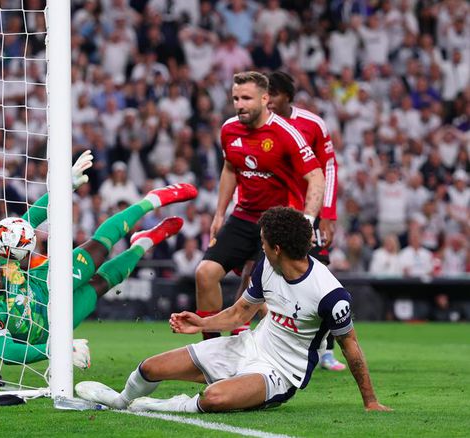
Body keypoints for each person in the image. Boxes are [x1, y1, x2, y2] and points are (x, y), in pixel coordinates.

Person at [77, 207, 391, 413]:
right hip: (247, 346)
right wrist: (201, 322)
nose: (260, 246)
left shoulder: (330, 294)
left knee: (213, 398)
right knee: (150, 367)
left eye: (263, 242)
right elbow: (241, 313)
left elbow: (351, 347)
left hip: (279, 374)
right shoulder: (267, 266)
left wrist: (371, 401)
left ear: (277, 248)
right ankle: (121, 400)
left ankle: (156, 406)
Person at [0, 151, 198, 366]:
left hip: (44, 281)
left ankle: (151, 200)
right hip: (51, 327)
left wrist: (65, 185)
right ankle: (143, 242)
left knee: (99, 250)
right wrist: (56, 350)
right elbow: (6, 352)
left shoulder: (1, 251)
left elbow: (27, 222)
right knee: (101, 284)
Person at [194, 71, 325, 339]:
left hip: (278, 222)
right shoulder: (229, 129)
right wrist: (219, 214)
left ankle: (287, 352)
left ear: (265, 99)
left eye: (246, 98)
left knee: (263, 295)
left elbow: (316, 177)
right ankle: (211, 349)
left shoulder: (286, 133)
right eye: (236, 99)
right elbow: (230, 169)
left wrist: (308, 222)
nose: (239, 105)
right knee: (205, 274)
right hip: (243, 216)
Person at [267, 71, 345, 371]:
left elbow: (329, 168)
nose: (268, 100)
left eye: (273, 94)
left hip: (308, 212)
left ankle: (326, 349)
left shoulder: (313, 124)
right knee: (267, 277)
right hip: (275, 213)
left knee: (319, 274)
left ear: (287, 96)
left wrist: (328, 215)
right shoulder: (260, 125)